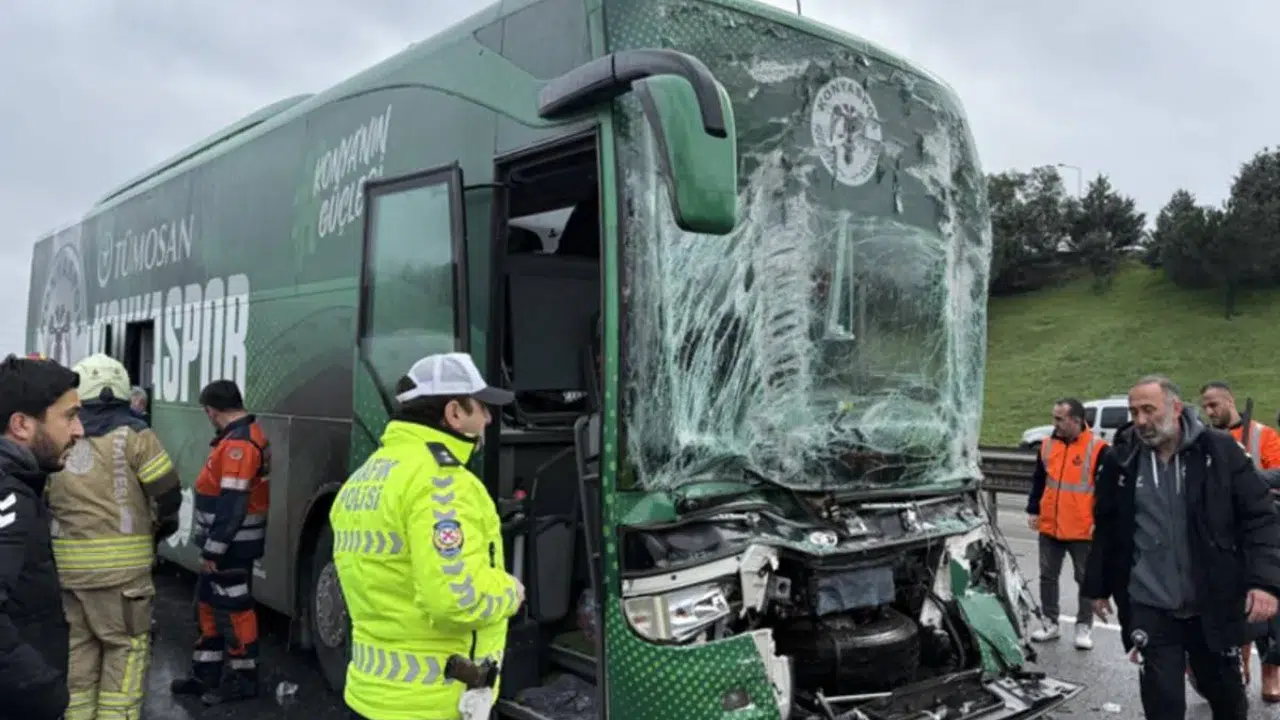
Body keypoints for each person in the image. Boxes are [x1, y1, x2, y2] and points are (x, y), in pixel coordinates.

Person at [331, 352, 525, 720]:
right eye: (482, 408)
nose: (488, 419)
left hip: (370, 696)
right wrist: (509, 593)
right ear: (454, 413)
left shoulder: (365, 477)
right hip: (432, 703)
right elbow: (455, 600)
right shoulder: (445, 485)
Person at [1086, 375, 1280, 719]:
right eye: (1134, 412)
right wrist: (1098, 586)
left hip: (1212, 602)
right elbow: (1107, 527)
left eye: (1149, 410)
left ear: (1176, 408)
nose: (1140, 420)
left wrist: (1264, 583)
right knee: (1162, 703)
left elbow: (1260, 519)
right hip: (1151, 604)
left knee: (1227, 698)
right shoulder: (1122, 460)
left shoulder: (1219, 451)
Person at [46, 354, 182, 720]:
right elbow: (168, 493)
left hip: (68, 572)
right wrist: (158, 526)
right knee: (125, 651)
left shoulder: (57, 435)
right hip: (124, 579)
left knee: (79, 652)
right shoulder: (137, 436)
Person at [168, 380, 270, 706]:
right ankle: (206, 675)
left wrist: (215, 548)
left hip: (232, 547)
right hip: (226, 544)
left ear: (212, 411)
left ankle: (244, 680)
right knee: (207, 607)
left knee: (235, 611)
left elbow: (234, 502)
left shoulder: (239, 444)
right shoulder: (237, 438)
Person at [0, 354, 84, 720]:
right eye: (69, 416)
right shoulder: (9, 496)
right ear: (21, 425)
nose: (79, 430)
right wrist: (43, 691)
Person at [1201, 380, 1280, 697]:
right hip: (1223, 537)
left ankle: (1271, 676)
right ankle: (1238, 667)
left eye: (1214, 404)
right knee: (1231, 607)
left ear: (1229, 401)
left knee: (1266, 608)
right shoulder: (1207, 441)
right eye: (1205, 406)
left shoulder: (1263, 435)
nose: (1209, 411)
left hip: (1258, 532)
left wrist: (1247, 479)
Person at [1025, 397, 1107, 650]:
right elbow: (1039, 480)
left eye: (1060, 419)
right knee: (1047, 576)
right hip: (1050, 525)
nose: (1055, 423)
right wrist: (1033, 509)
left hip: (1082, 528)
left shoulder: (1099, 448)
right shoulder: (1048, 445)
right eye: (1054, 417)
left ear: (1076, 421)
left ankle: (1084, 626)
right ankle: (1050, 623)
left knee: (1085, 578)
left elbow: (1107, 491)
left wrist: (1101, 521)